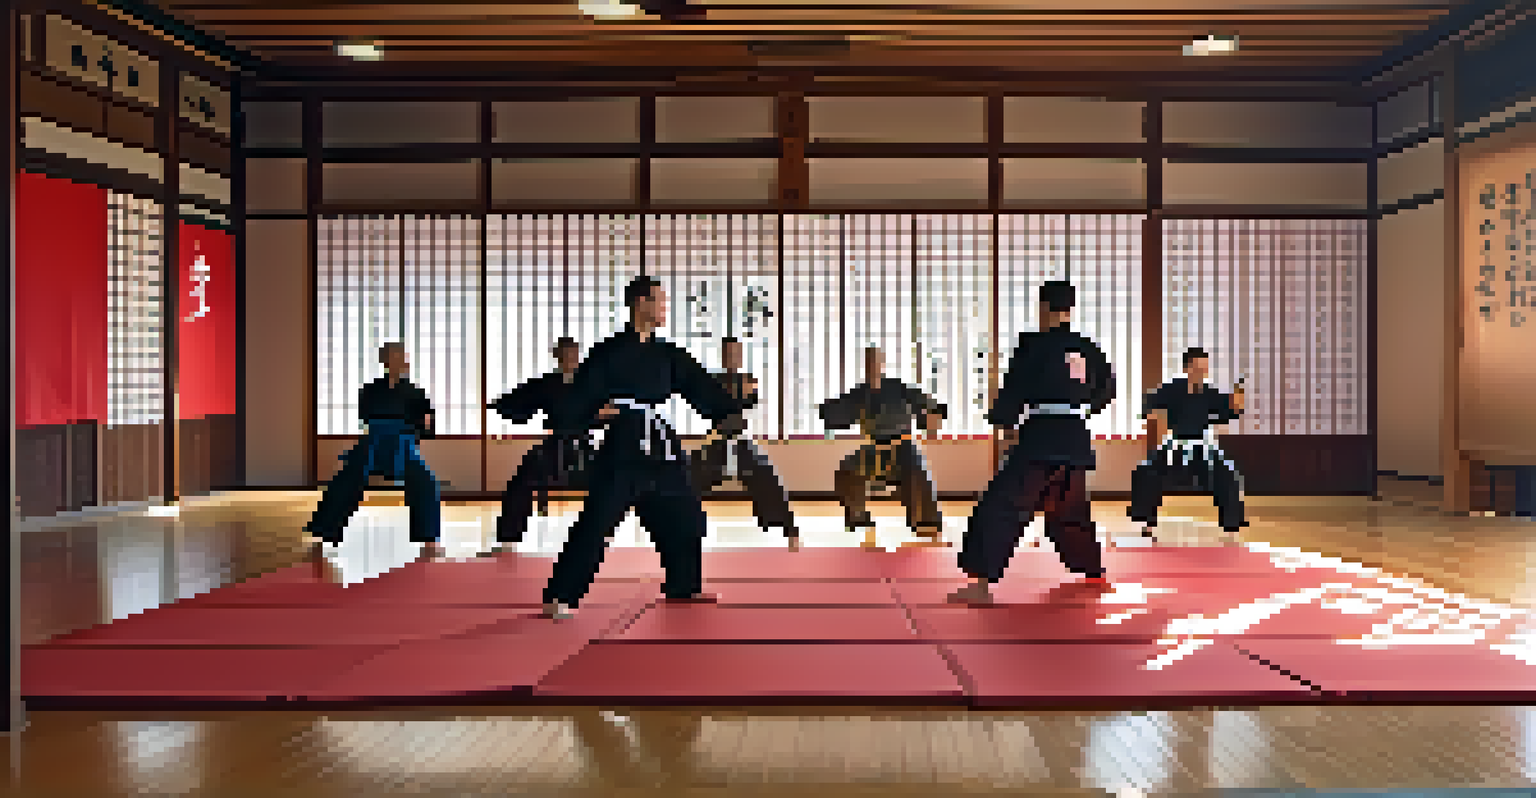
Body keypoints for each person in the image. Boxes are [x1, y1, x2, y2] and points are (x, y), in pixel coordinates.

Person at [540, 276, 747, 620]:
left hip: (662, 448)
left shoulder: (668, 355)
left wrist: (731, 409)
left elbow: (700, 387)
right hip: (624, 448)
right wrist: (593, 413)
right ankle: (560, 595)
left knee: (687, 516)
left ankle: (684, 585)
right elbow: (581, 396)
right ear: (641, 303)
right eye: (659, 301)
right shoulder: (608, 352)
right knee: (596, 523)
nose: (664, 307)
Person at [951, 280, 1115, 604]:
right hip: (1076, 436)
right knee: (1069, 510)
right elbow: (1105, 391)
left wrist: (1003, 418)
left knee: (1002, 505)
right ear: (1070, 308)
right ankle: (1093, 572)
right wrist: (1082, 407)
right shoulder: (1088, 348)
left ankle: (981, 585)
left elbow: (1016, 388)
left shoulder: (1034, 345)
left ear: (1043, 307)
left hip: (1042, 436)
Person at [305, 341, 444, 566]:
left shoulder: (416, 392)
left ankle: (430, 540)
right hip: (374, 441)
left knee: (426, 482)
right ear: (386, 361)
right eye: (395, 358)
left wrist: (424, 424)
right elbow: (365, 416)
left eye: (403, 358)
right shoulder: (370, 390)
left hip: (404, 442)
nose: (401, 362)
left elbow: (427, 423)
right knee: (344, 480)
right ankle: (322, 534)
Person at [819, 346, 947, 548]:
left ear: (882, 364)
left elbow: (930, 408)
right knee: (847, 470)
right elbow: (834, 413)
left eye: (876, 361)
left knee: (917, 474)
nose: (873, 366)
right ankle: (858, 518)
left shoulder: (901, 389)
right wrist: (824, 409)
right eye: (869, 362)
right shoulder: (860, 393)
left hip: (903, 447)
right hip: (874, 450)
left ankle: (926, 524)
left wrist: (932, 418)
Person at [485, 336, 601, 553]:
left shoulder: (592, 385)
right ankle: (508, 540)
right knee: (520, 482)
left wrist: (608, 413)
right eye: (565, 355)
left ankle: (597, 539)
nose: (569, 359)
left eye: (573, 355)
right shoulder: (547, 383)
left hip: (585, 446)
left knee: (617, 480)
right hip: (555, 445)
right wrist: (499, 405)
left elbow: (612, 408)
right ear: (557, 357)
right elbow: (521, 399)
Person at [689, 337, 802, 550]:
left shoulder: (747, 379)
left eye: (735, 353)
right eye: (728, 353)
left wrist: (747, 394)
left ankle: (791, 531)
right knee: (688, 480)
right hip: (716, 442)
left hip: (741, 443)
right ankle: (683, 531)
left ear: (740, 356)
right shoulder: (711, 380)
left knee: (769, 479)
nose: (731, 357)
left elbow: (750, 403)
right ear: (722, 356)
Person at [1129, 347, 1247, 539]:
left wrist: (1237, 406)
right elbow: (1147, 405)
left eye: (1204, 368)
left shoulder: (1210, 393)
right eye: (1197, 367)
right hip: (1174, 446)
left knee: (1228, 475)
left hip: (1202, 448)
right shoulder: (1171, 389)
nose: (1202, 372)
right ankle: (1146, 522)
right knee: (1146, 471)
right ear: (1187, 368)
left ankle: (1231, 526)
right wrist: (1152, 414)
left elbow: (1228, 413)